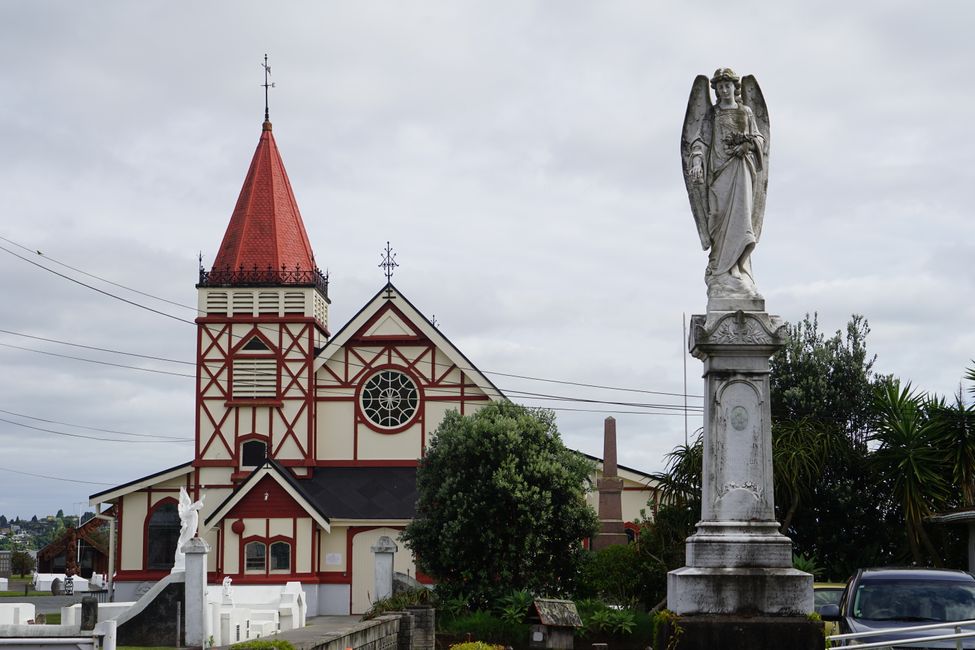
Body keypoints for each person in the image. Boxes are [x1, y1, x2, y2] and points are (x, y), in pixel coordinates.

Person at [687, 68, 766, 299]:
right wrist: (698, 161)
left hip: (741, 170)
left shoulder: (746, 112)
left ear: (734, 87)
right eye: (719, 86)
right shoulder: (711, 115)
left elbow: (759, 137)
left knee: (741, 219)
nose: (723, 90)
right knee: (719, 218)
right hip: (719, 174)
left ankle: (738, 271)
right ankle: (721, 273)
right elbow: (700, 140)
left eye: (727, 85)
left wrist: (749, 145)